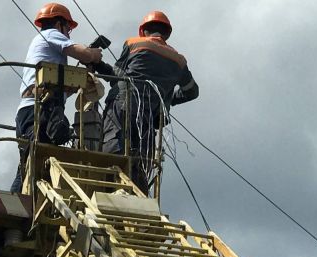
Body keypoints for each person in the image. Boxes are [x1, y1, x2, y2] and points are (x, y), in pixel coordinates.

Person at [100, 11, 199, 194]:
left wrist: (97, 64)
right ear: (166, 33)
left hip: (123, 105)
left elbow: (116, 76)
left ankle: (111, 187)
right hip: (148, 117)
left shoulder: (134, 43)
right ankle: (136, 194)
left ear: (143, 30)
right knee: (141, 161)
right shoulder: (179, 60)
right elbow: (192, 91)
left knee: (113, 147)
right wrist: (166, 99)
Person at [11, 2, 103, 193]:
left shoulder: (48, 53)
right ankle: (17, 198)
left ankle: (17, 198)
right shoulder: (50, 34)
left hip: (33, 110)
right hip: (38, 110)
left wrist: (80, 77)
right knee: (33, 161)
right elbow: (84, 53)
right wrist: (93, 54)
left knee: (30, 162)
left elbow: (59, 92)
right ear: (59, 24)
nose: (69, 32)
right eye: (68, 27)